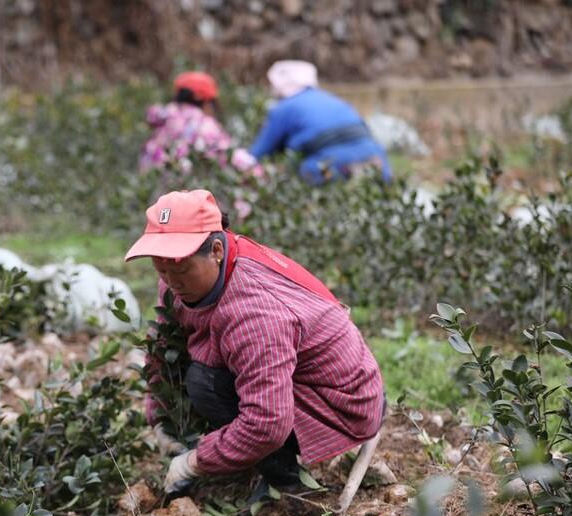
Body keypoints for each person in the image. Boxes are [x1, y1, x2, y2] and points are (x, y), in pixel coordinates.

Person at [126, 189, 385, 499]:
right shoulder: (179, 277)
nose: (171, 280)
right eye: (161, 267)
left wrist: (195, 461)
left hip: (343, 402)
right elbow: (162, 343)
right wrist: (159, 415)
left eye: (181, 269)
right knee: (190, 362)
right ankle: (246, 455)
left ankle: (285, 478)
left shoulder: (253, 313)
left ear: (217, 250)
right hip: (298, 376)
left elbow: (267, 423)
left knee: (205, 382)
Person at [248, 60, 391, 185]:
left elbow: (259, 152)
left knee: (300, 175)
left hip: (331, 165)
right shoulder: (332, 99)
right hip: (375, 157)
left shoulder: (285, 107)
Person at [139, 71, 257, 173]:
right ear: (204, 101)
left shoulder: (163, 117)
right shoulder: (203, 125)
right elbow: (228, 156)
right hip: (184, 193)